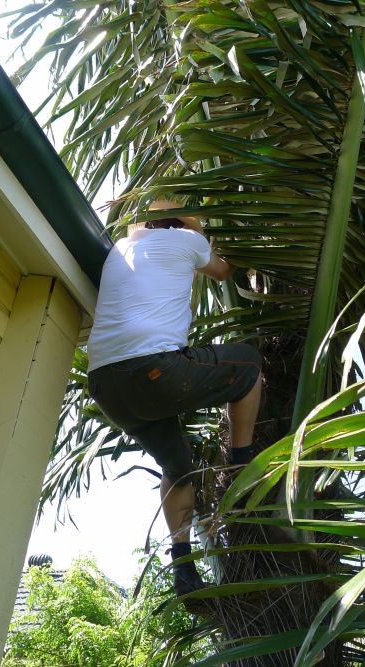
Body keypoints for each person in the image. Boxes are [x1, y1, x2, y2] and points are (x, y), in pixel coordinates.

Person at [86, 201, 263, 597]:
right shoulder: (185, 240)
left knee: (177, 465)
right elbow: (223, 271)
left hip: (105, 386)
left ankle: (183, 564)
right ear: (181, 225)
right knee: (249, 364)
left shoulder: (121, 248)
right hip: (155, 370)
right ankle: (240, 464)